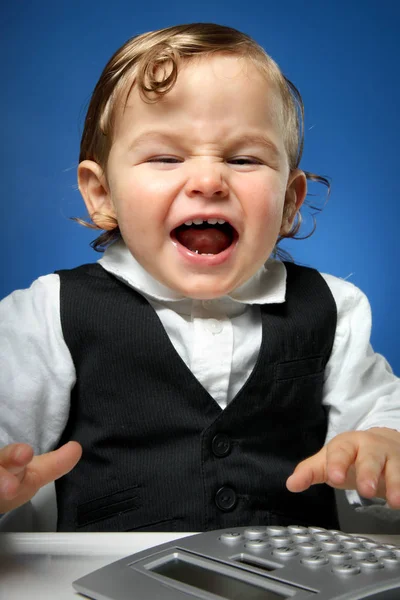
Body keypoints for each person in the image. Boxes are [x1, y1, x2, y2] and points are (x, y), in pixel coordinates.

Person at [0, 23, 399, 532]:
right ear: (102, 195)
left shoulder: (333, 309)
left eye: (243, 158)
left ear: (289, 203)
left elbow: (383, 416)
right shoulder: (47, 312)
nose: (209, 181)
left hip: (291, 576)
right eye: (166, 157)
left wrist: (385, 442)